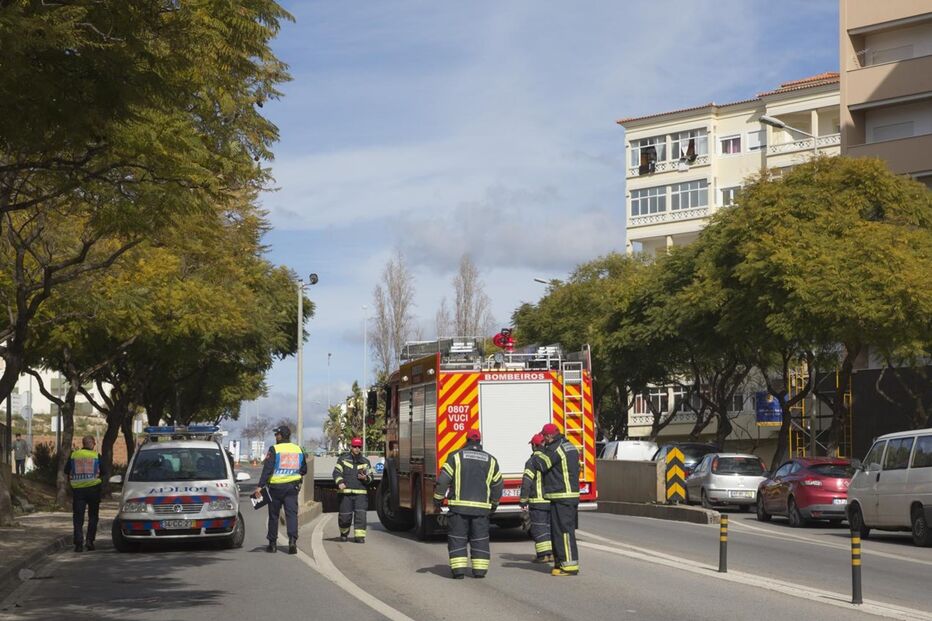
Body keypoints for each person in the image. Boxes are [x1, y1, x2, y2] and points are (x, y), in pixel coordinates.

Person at [433, 429, 503, 579]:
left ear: (466, 440)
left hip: (459, 509)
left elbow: (443, 480)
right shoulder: (491, 460)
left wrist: (438, 500)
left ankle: (458, 571)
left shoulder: (455, 457)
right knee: (480, 539)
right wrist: (494, 503)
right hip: (481, 511)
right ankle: (479, 571)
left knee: (458, 538)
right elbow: (497, 485)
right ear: (479, 441)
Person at [532, 423, 580, 576]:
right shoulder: (569, 445)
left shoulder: (555, 448)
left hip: (562, 495)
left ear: (550, 436)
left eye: (545, 437)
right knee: (558, 532)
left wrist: (538, 453)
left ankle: (569, 566)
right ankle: (560, 563)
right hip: (566, 495)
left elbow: (541, 465)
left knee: (564, 532)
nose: (544, 440)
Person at [254, 425, 307, 554]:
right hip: (292, 488)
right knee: (291, 515)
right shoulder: (298, 449)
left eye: (276, 434)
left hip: (275, 489)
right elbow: (304, 470)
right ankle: (292, 542)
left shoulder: (274, 449)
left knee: (273, 516)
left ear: (281, 436)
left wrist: (260, 487)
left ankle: (272, 545)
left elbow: (267, 469)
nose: (275, 436)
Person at [519, 433, 553, 564]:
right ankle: (551, 554)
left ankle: (543, 555)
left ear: (534, 446)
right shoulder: (550, 459)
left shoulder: (532, 461)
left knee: (539, 528)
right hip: (551, 500)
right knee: (549, 528)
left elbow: (527, 481)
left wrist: (523, 499)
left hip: (537, 501)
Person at [333, 436, 372, 543]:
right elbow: (336, 473)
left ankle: (359, 536)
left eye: (359, 446)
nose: (357, 448)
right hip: (345, 494)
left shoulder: (365, 462)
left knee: (361, 515)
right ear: (351, 447)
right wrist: (340, 482)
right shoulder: (343, 459)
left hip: (360, 495)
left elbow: (371, 477)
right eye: (355, 446)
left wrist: (366, 478)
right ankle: (344, 533)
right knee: (344, 516)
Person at [66, 436, 102, 552]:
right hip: (93, 490)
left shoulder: (74, 455)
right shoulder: (96, 456)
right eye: (94, 443)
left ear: (83, 443)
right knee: (93, 517)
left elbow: (66, 470)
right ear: (92, 444)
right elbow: (105, 471)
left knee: (78, 517)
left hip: (78, 491)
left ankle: (78, 544)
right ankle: (90, 541)